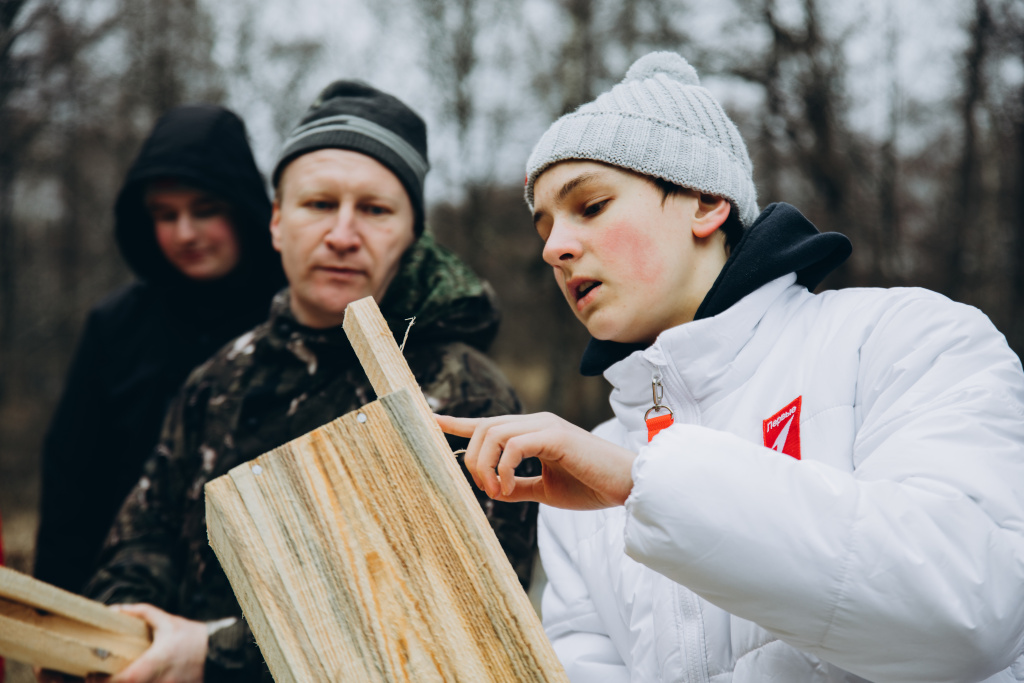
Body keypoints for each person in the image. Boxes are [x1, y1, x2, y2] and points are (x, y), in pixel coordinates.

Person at [440, 52, 1024, 682]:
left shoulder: (903, 338)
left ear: (705, 202)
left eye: (591, 205)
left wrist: (644, 486)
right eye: (545, 227)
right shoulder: (582, 473)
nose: (555, 248)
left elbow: (971, 607)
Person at [42, 81, 536, 683]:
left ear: (411, 234)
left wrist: (214, 653)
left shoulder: (460, 393)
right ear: (275, 222)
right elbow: (144, 534)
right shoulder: (218, 378)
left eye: (375, 210)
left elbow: (453, 610)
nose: (343, 234)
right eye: (319, 204)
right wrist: (132, 619)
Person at [34, 105, 286, 595]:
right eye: (165, 215)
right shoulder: (116, 325)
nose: (185, 233)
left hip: (269, 602)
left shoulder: (296, 317)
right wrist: (59, 615)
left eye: (204, 210)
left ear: (243, 207)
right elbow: (72, 483)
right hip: (131, 599)